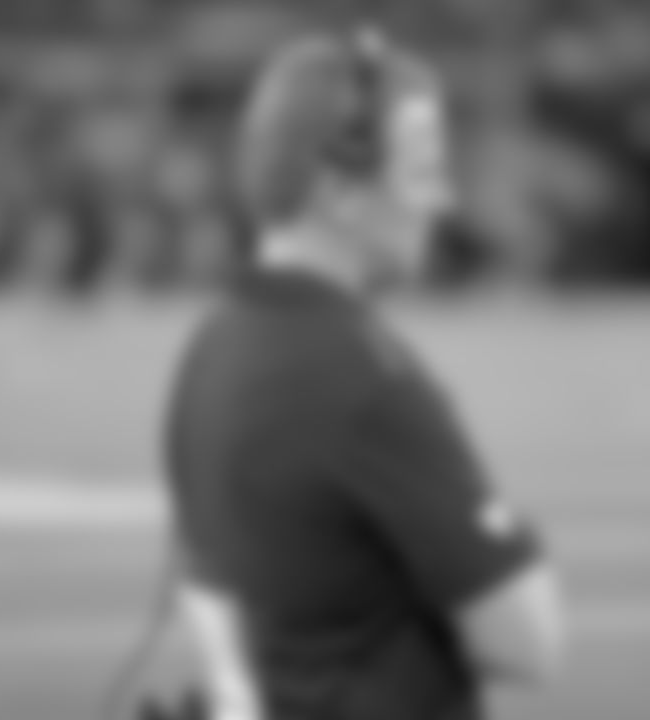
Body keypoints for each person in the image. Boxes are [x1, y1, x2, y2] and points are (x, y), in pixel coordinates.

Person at [162, 28, 566, 720]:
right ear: (341, 191)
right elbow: (530, 643)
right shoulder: (365, 380)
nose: (442, 200)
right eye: (423, 172)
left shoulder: (211, 347)